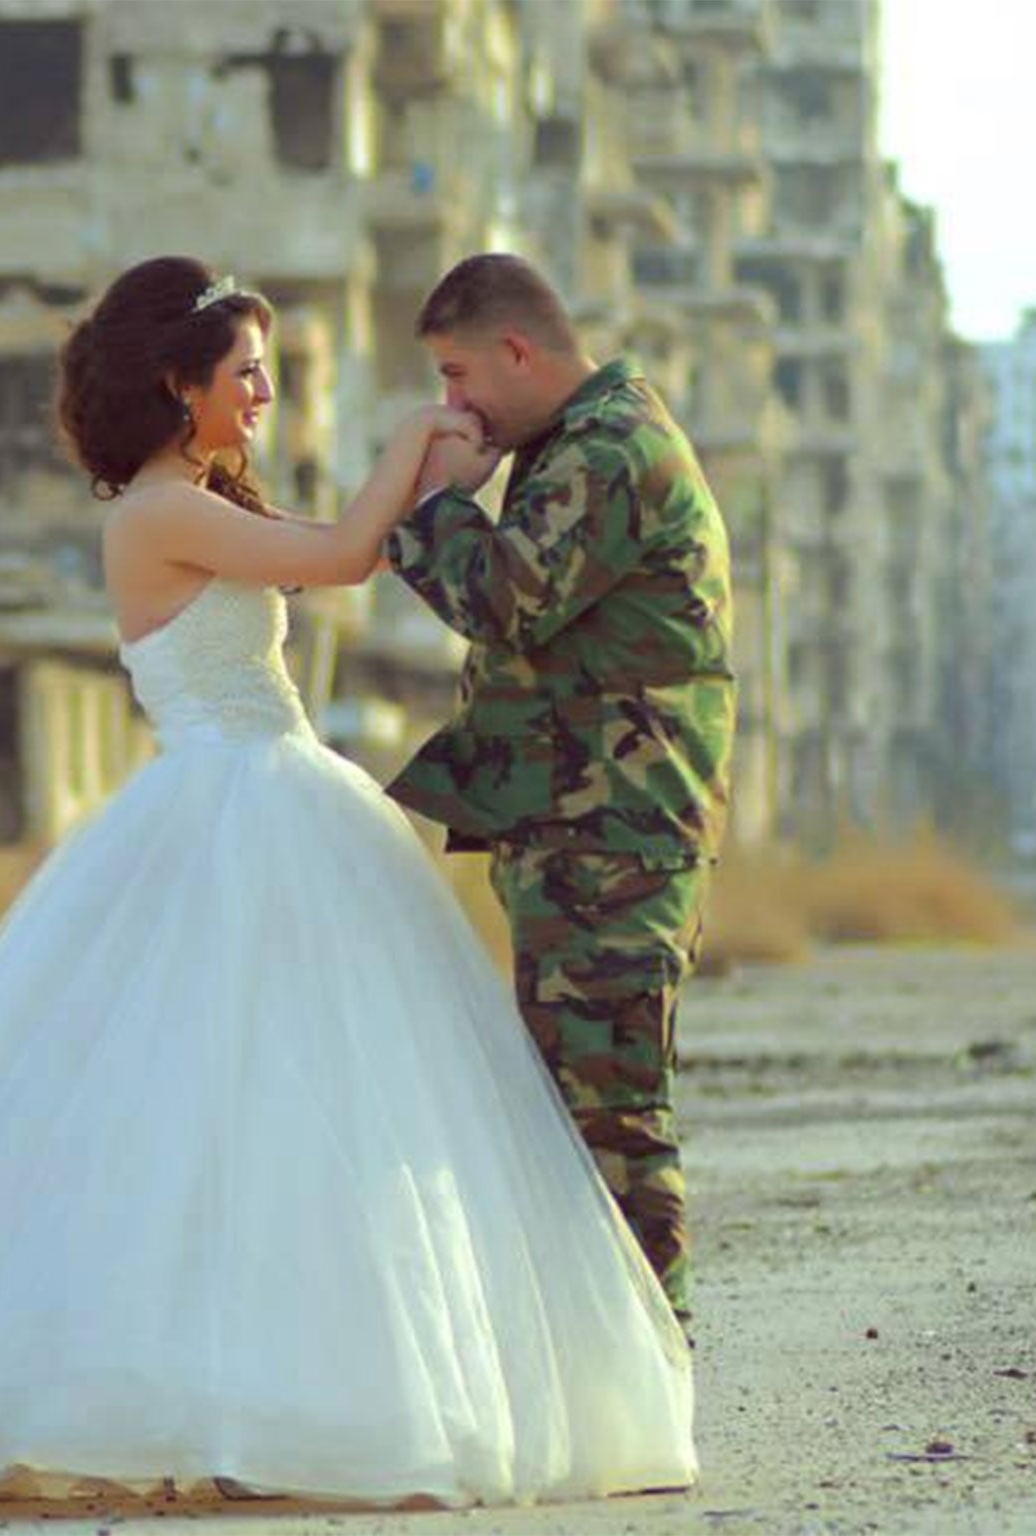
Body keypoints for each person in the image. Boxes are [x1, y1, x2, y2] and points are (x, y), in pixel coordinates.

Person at [0, 255, 695, 1515]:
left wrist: (439, 477)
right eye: (244, 372)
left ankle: (284, 1389)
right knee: (200, 1115)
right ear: (177, 387)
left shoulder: (199, 502)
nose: (264, 392)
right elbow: (341, 557)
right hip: (228, 807)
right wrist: (418, 448)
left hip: (277, 796)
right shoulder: (153, 513)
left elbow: (328, 552)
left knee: (295, 1120)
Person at [381, 252, 737, 1320]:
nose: (451, 403)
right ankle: (608, 1373)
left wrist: (438, 498)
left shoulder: (608, 449)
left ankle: (649, 1373)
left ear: (516, 351)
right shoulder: (578, 445)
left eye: (456, 375)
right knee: (579, 1111)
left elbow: (502, 599)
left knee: (608, 1118)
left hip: (613, 842)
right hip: (588, 833)